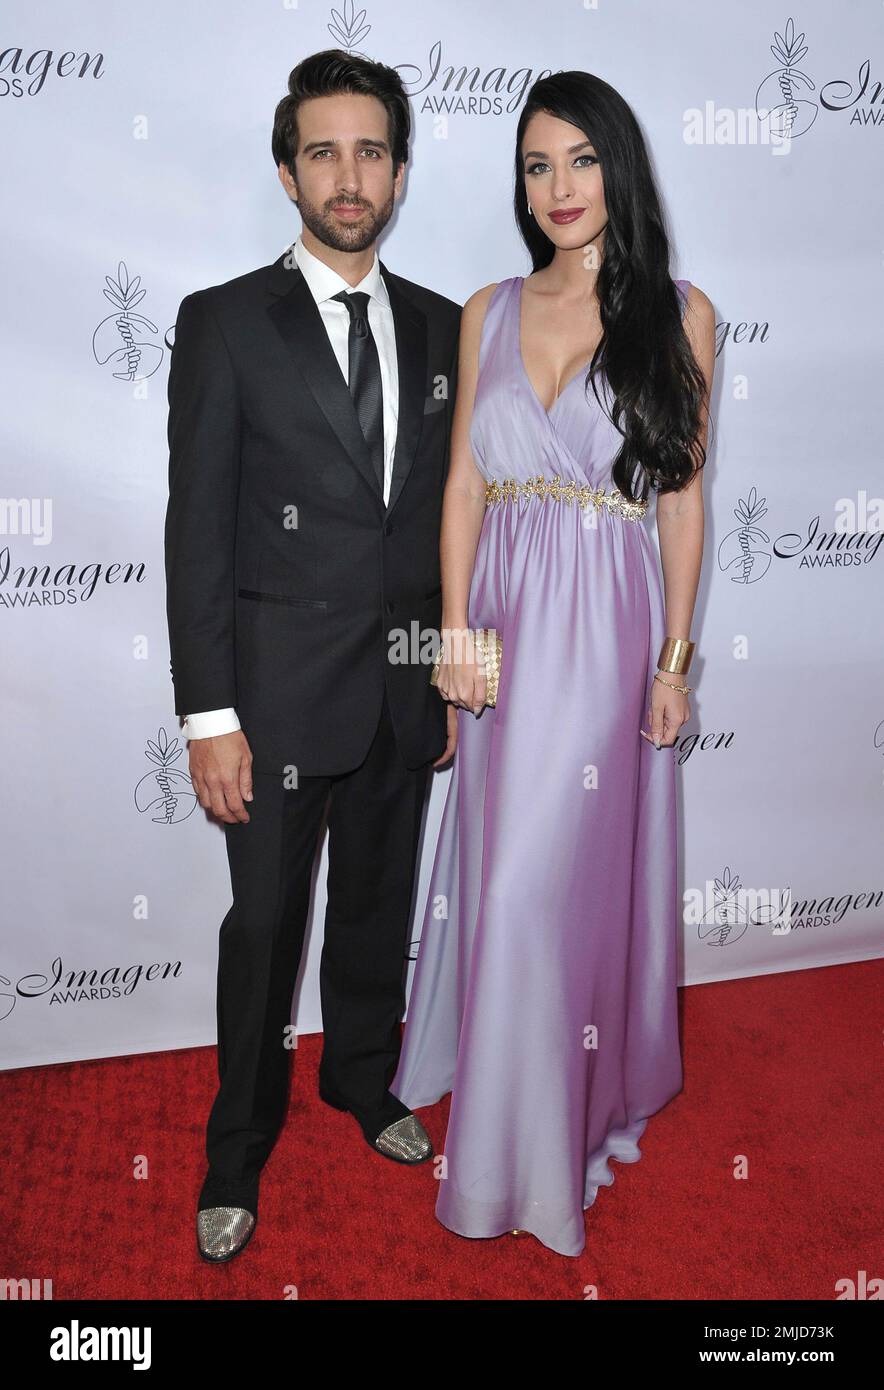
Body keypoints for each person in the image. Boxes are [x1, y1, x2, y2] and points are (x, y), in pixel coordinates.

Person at [391, 70, 715, 1257]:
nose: (557, 187)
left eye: (579, 160)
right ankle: (514, 1091)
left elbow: (679, 506)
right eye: (535, 166)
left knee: (537, 882)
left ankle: (524, 1155)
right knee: (498, 868)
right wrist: (454, 633)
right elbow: (464, 487)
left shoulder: (678, 314)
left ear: (615, 168)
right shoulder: (486, 305)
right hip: (502, 624)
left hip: (605, 618)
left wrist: (673, 659)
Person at [164, 48, 460, 1262]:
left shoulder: (449, 327)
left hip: (398, 689)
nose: (350, 175)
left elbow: (450, 525)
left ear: (397, 170)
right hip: (273, 708)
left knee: (375, 909)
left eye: (371, 150)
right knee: (263, 934)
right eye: (324, 150)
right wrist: (206, 716)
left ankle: (363, 1079)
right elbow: (194, 530)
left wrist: (445, 665)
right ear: (286, 169)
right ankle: (236, 1146)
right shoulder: (225, 321)